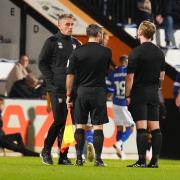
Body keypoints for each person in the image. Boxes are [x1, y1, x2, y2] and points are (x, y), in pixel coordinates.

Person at [66, 24, 112, 166]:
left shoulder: (77, 52)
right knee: (98, 127)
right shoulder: (106, 52)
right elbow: (105, 70)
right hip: (98, 91)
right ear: (98, 34)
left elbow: (70, 75)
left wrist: (69, 94)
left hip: (81, 91)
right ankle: (98, 159)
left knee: (80, 126)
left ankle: (79, 158)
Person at [39, 14, 81, 165]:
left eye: (72, 24)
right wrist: (51, 82)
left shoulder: (77, 43)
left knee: (68, 123)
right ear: (59, 25)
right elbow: (42, 63)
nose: (70, 27)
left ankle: (63, 156)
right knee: (59, 120)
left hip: (72, 90)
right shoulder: (51, 41)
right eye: (67, 24)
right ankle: (46, 150)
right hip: (57, 89)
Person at [125, 20, 166, 168]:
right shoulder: (159, 52)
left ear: (141, 32)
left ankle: (141, 161)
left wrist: (127, 95)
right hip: (154, 92)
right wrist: (156, 88)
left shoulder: (136, 52)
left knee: (141, 127)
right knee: (155, 127)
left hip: (140, 92)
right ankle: (154, 161)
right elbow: (162, 76)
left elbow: (130, 77)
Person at [106, 55, 135, 160]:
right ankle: (119, 143)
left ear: (119, 61)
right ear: (126, 62)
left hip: (115, 103)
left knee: (119, 127)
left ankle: (120, 152)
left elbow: (109, 90)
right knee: (131, 127)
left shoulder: (113, 72)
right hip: (124, 103)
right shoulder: (129, 72)